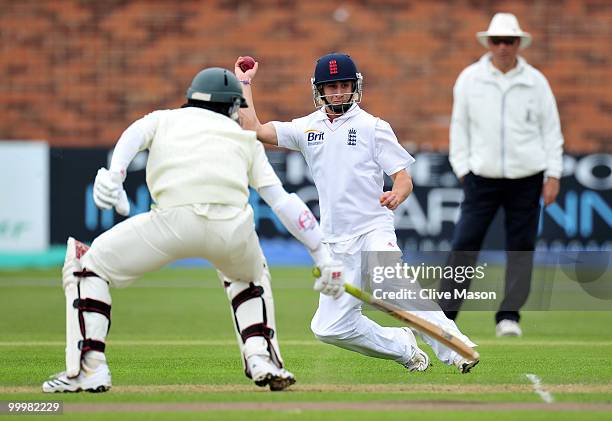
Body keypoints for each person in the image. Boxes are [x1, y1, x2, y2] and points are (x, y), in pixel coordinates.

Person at [42, 67, 346, 393]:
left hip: (171, 222)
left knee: (86, 264)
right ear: (232, 107)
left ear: (192, 98)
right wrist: (322, 255)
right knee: (250, 277)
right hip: (231, 229)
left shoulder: (164, 118)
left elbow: (133, 133)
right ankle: (261, 357)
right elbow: (283, 202)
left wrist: (114, 174)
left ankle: (90, 366)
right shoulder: (244, 138)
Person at [235, 53, 478, 373]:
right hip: (336, 243)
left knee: (393, 285)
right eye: (331, 86)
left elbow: (403, 178)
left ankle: (457, 348)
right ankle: (403, 347)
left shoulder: (373, 127)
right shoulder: (307, 127)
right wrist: (244, 83)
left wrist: (397, 194)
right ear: (319, 90)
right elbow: (255, 128)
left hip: (372, 229)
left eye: (344, 85)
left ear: (355, 86)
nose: (338, 92)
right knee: (328, 327)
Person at [440, 13, 564, 336]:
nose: (503, 47)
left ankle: (509, 316)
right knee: (465, 243)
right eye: (498, 41)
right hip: (481, 176)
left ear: (519, 43)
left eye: (509, 41)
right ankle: (444, 316)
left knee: (521, 246)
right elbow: (459, 127)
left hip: (527, 176)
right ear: (489, 43)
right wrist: (463, 168)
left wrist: (553, 174)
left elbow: (551, 131)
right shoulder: (470, 78)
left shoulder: (536, 82)